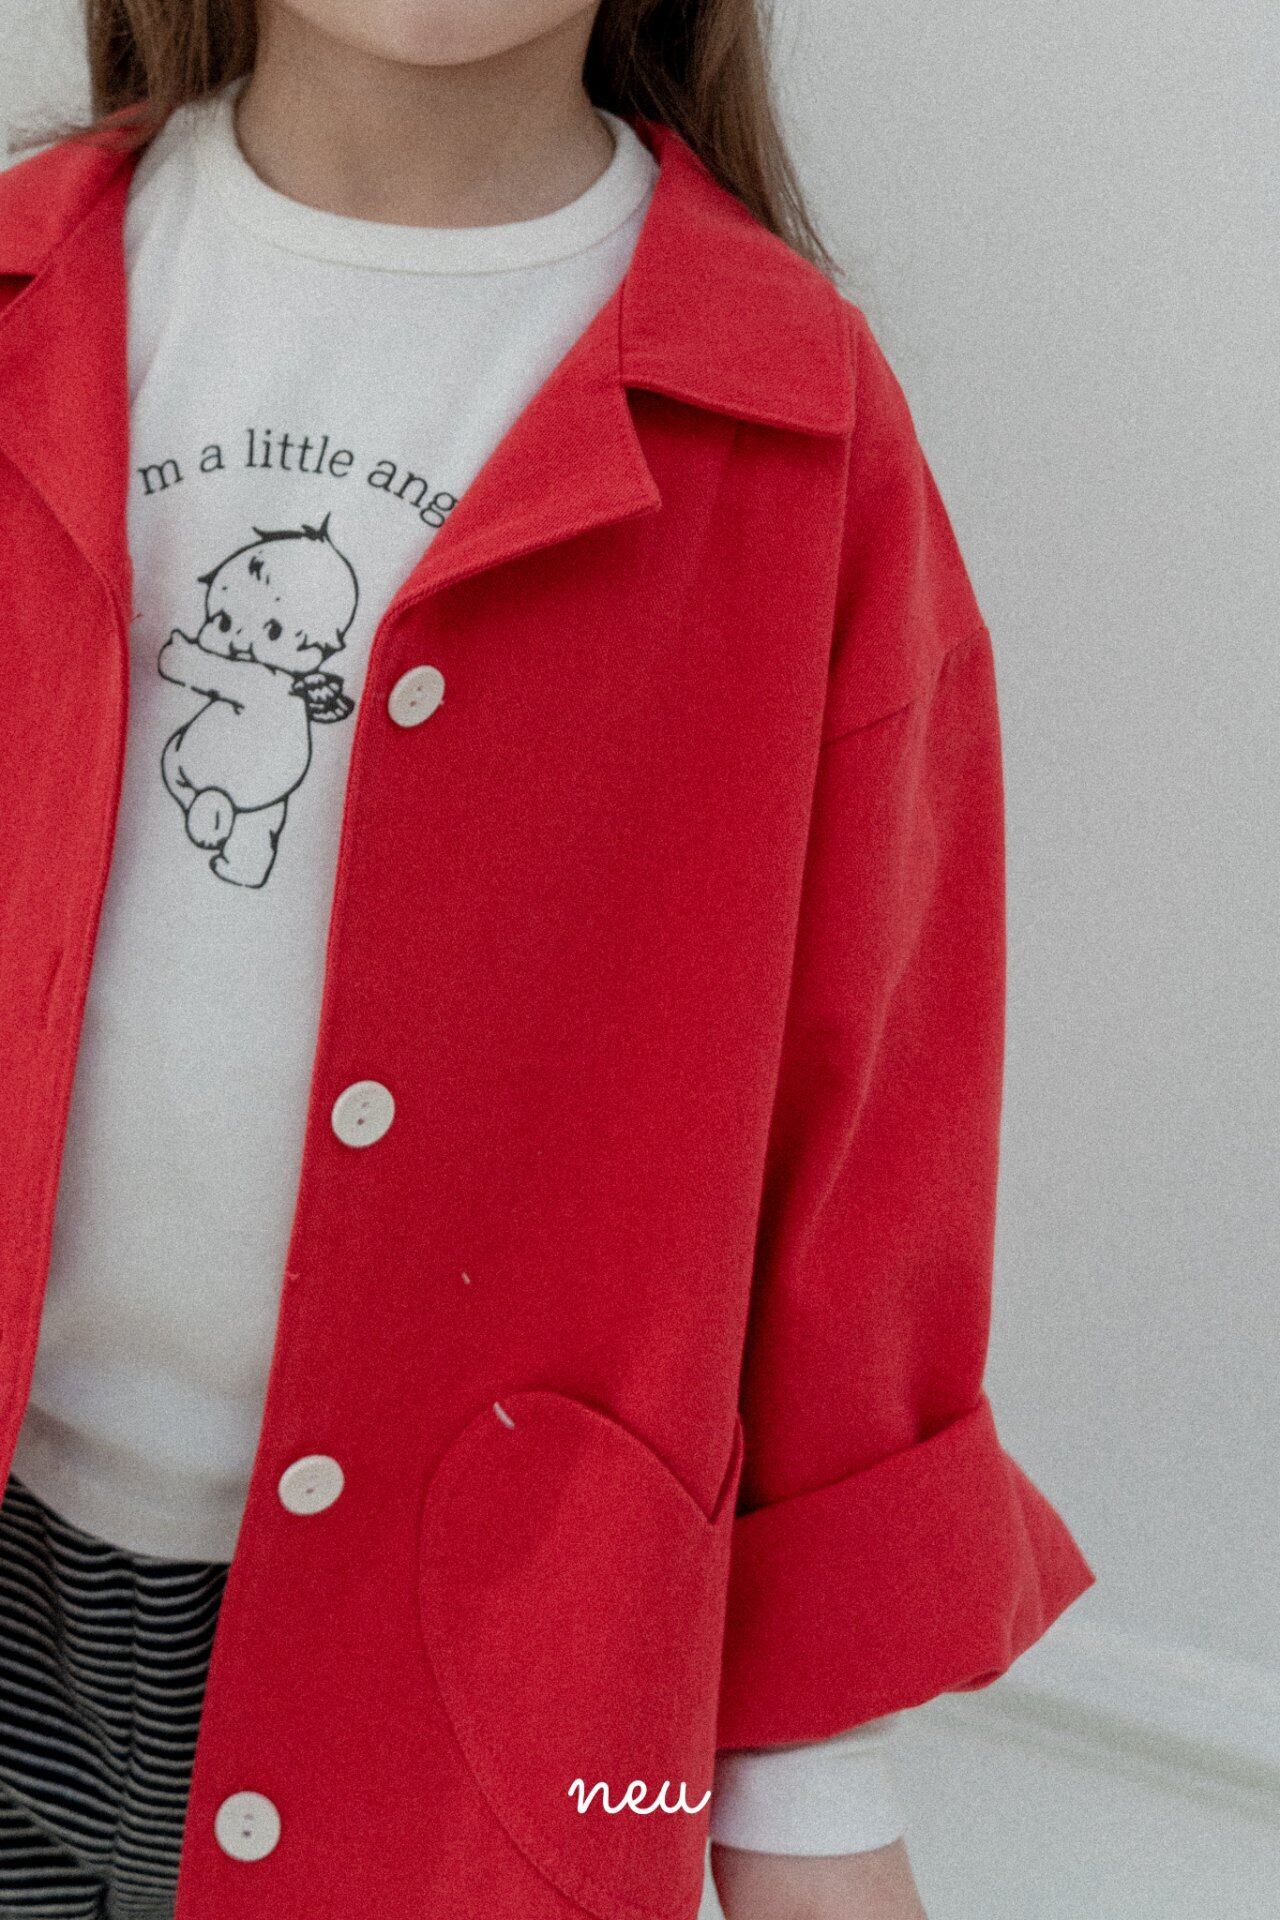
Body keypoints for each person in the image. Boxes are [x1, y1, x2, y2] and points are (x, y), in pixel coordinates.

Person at [0, 3, 1094, 1917]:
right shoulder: (32, 294)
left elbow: (865, 1154)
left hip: (491, 1693)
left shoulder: (800, 425)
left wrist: (804, 1786)